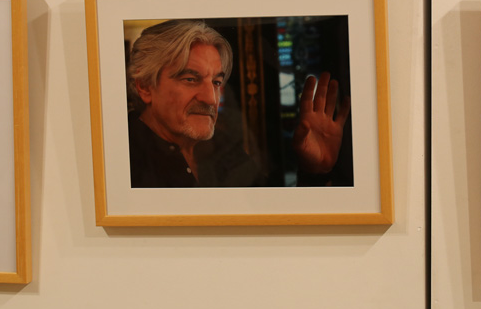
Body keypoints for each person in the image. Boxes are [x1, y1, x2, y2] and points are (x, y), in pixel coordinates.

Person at [125, 19, 350, 187]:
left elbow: (269, 222)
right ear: (145, 86)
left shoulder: (225, 148)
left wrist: (314, 171)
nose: (211, 99)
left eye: (216, 82)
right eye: (190, 79)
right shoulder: (122, 159)